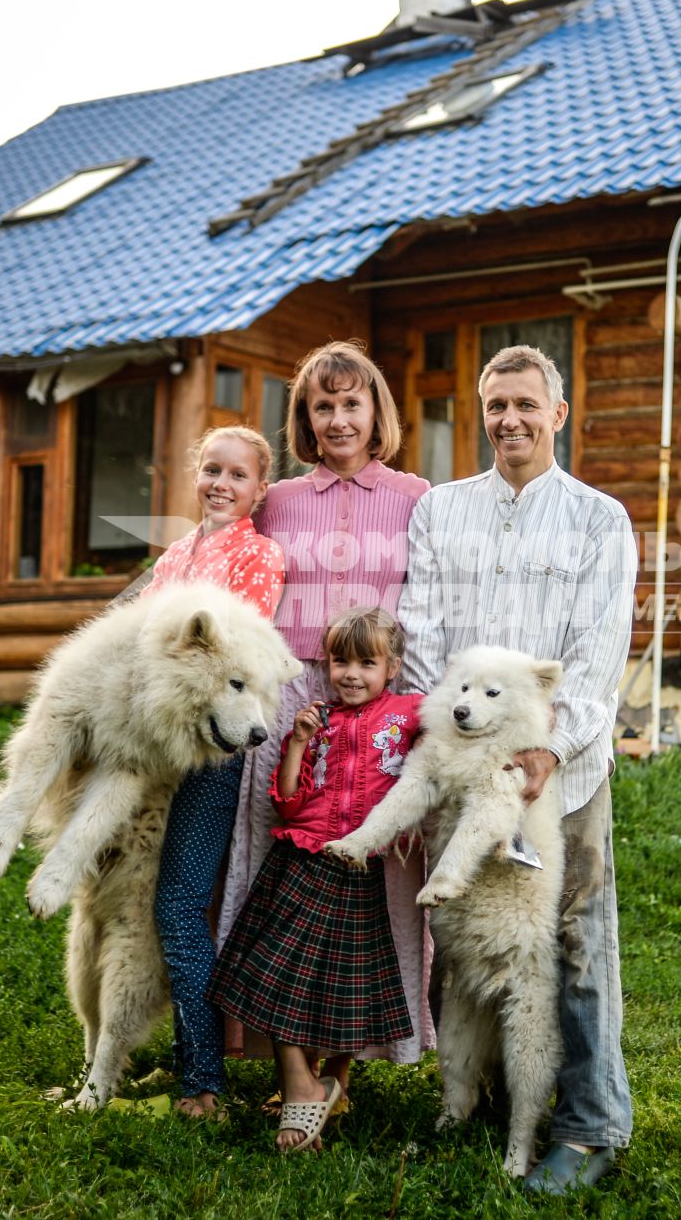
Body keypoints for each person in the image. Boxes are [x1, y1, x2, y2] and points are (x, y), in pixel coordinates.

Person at [397, 344, 638, 1195]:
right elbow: (421, 638)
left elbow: (599, 654)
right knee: (461, 937)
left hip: (559, 776)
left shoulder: (599, 521)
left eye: (527, 405)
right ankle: (482, 1100)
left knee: (572, 940)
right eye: (496, 405)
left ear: (558, 415)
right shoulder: (442, 512)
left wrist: (547, 750)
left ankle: (590, 1123)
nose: (510, 420)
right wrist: (442, 757)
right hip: (461, 773)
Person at [221, 341, 436, 1085]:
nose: (339, 418)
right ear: (306, 420)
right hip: (289, 694)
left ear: (376, 411)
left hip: (380, 704)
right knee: (275, 856)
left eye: (352, 403)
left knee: (383, 867)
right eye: (324, 406)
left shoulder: (416, 497)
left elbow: (431, 607)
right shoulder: (278, 501)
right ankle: (274, 1035)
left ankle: (362, 1046)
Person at [208, 607, 422, 1152]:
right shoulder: (316, 720)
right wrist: (299, 741)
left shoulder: (410, 713)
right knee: (272, 973)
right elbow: (287, 801)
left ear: (392, 667)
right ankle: (301, 1085)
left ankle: (333, 1087)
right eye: (339, 661)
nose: (350, 673)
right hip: (300, 860)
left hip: (359, 865)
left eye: (366, 663)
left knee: (344, 986)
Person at [135, 424, 285, 1121]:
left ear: (260, 490)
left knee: (179, 904)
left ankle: (203, 1085)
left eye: (239, 475)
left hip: (212, 758)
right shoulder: (171, 559)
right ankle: (174, 1060)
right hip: (156, 747)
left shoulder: (259, 557)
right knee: (146, 902)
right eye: (212, 470)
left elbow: (230, 661)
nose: (222, 485)